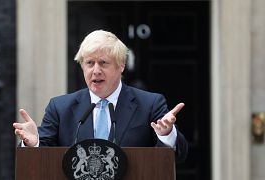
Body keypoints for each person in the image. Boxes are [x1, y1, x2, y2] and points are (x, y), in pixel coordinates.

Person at [13, 30, 188, 162]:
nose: (96, 70)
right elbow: (43, 158)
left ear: (121, 65)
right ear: (82, 66)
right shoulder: (60, 107)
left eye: (103, 63)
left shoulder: (150, 104)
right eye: (89, 63)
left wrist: (166, 135)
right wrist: (34, 144)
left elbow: (177, 157)